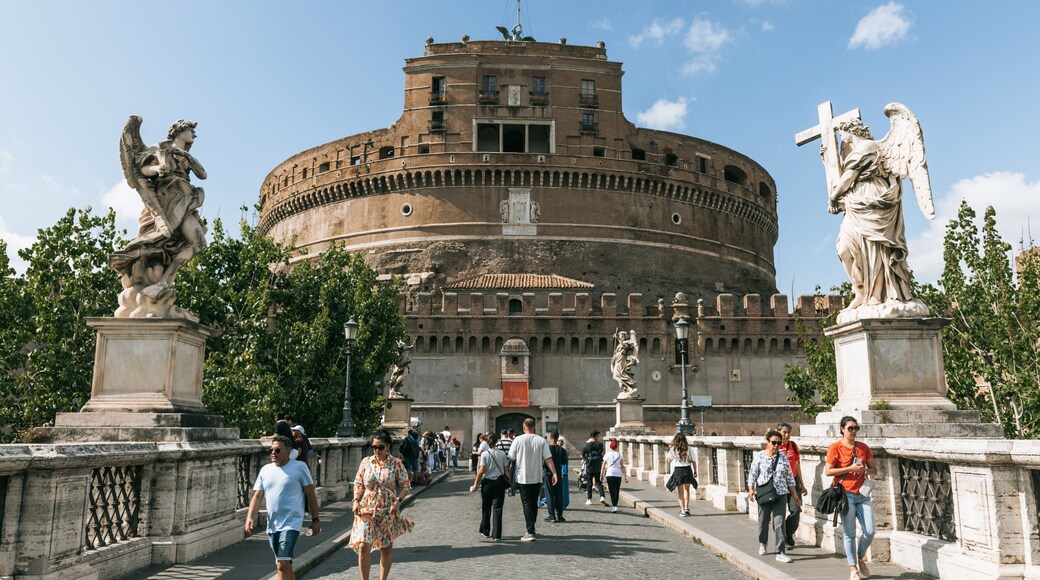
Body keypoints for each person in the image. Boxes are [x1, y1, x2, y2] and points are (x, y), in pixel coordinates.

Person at [244, 436, 320, 580]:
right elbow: (257, 496)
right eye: (271, 450)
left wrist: (315, 520)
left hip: (292, 523)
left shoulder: (299, 467)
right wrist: (249, 517)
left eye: (277, 450)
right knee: (284, 564)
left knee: (282, 564)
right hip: (272, 524)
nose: (273, 453)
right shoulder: (265, 470)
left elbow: (310, 494)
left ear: (288, 451)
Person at [349, 429, 414, 580]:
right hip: (366, 508)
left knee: (385, 548)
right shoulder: (366, 462)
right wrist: (355, 501)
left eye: (380, 447)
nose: (377, 450)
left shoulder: (396, 463)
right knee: (364, 545)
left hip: (387, 510)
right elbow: (358, 483)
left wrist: (398, 502)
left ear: (388, 447)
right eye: (374, 447)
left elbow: (406, 485)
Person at [825, 416, 877, 580]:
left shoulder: (863, 447)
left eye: (856, 428)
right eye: (850, 428)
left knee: (870, 530)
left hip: (862, 494)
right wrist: (850, 468)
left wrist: (865, 471)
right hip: (845, 496)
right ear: (842, 429)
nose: (854, 431)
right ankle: (853, 568)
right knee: (850, 534)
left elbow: (874, 469)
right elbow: (828, 471)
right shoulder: (835, 448)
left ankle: (860, 556)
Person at [748, 430, 799, 564]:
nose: (776, 445)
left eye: (779, 443)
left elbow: (790, 477)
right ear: (768, 442)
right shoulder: (759, 456)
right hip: (764, 492)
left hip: (780, 493)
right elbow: (752, 474)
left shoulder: (783, 457)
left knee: (779, 523)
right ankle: (763, 542)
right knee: (763, 520)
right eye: (774, 443)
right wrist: (751, 490)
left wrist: (795, 495)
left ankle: (780, 551)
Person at [508, 418, 558, 541]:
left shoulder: (517, 440)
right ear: (534, 427)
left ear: (524, 427)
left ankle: (530, 531)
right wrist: (555, 473)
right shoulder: (541, 441)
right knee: (533, 503)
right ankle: (531, 528)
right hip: (537, 477)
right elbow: (548, 459)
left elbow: (511, 457)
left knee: (526, 504)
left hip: (522, 477)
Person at [469, 432, 511, 541]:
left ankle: (485, 531)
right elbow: (507, 470)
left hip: (487, 483)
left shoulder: (485, 454)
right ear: (497, 441)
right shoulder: (502, 454)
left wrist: (475, 484)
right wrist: (509, 482)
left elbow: (481, 471)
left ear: (487, 442)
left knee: (486, 507)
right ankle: (497, 534)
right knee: (498, 508)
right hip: (499, 483)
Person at [776, 422, 807, 547]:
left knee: (796, 510)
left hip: (793, 482)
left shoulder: (793, 446)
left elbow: (797, 466)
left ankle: (788, 532)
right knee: (780, 513)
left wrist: (802, 483)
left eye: (788, 432)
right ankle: (781, 537)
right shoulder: (774, 446)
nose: (786, 435)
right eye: (784, 432)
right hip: (779, 483)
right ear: (778, 432)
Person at [665, 433, 698, 516]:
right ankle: (686, 508)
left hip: (678, 470)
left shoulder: (673, 449)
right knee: (687, 490)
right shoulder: (688, 448)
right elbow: (693, 461)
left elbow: (669, 460)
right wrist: (695, 471)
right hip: (687, 469)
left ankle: (682, 511)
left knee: (680, 492)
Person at [544, 431, 569, 522]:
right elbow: (564, 462)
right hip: (558, 473)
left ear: (551, 438)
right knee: (559, 494)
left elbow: (543, 462)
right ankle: (560, 515)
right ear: (557, 438)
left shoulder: (546, 449)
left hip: (548, 473)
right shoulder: (562, 450)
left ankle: (551, 515)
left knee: (549, 494)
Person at [600, 440, 628, 513]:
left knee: (612, 491)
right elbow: (622, 466)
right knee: (616, 490)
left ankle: (614, 506)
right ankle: (615, 505)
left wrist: (601, 475)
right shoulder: (619, 455)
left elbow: (603, 466)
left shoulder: (607, 454)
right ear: (617, 447)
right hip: (618, 474)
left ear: (610, 446)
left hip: (609, 474)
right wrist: (625, 476)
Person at [582, 431, 607, 506]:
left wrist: (587, 460)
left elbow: (583, 455)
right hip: (598, 465)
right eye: (598, 435)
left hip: (590, 466)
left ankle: (589, 499)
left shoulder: (587, 445)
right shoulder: (600, 444)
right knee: (599, 482)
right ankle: (602, 496)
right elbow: (601, 453)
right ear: (595, 436)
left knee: (589, 483)